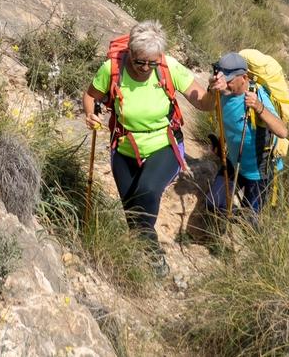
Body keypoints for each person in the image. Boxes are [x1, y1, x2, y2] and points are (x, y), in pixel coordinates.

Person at [82, 19, 216, 273]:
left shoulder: (168, 67)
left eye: (151, 62)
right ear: (129, 53)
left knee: (146, 192)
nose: (145, 68)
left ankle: (155, 263)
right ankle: (139, 263)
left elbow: (204, 103)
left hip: (164, 144)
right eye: (139, 61)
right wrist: (90, 114)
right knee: (132, 210)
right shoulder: (112, 68)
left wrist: (214, 91)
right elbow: (90, 96)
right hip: (124, 147)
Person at [204, 52, 289, 219]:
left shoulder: (258, 96)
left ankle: (243, 222)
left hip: (258, 171)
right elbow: (206, 103)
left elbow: (282, 131)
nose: (224, 84)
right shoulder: (221, 91)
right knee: (213, 204)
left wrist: (258, 107)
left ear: (244, 77)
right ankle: (233, 217)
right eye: (221, 79)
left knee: (250, 220)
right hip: (232, 161)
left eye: (229, 81)